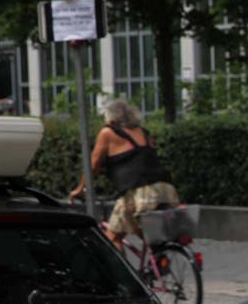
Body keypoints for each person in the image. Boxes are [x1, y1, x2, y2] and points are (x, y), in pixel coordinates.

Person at [69, 99, 179, 249]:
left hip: (140, 193)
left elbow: (93, 165)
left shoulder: (108, 132)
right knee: (150, 235)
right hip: (166, 189)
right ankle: (160, 257)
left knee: (113, 237)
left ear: (110, 117)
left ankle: (121, 271)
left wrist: (80, 189)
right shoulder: (143, 132)